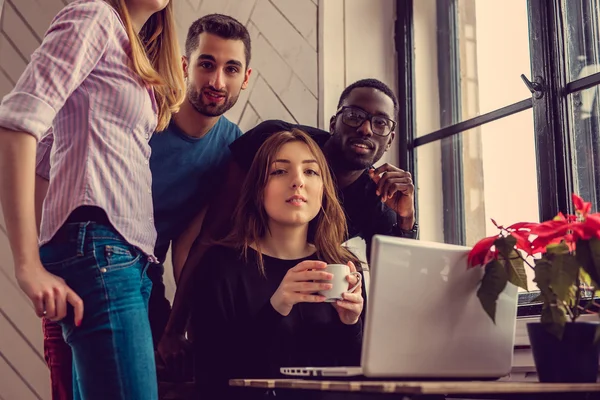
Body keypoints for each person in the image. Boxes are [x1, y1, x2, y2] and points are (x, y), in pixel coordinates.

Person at [33, 13, 253, 399]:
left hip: (146, 277)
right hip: (84, 258)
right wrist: (39, 264)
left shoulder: (231, 150)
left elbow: (192, 243)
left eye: (230, 69)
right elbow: (42, 161)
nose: (217, 81)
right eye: (206, 64)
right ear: (185, 67)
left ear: (245, 78)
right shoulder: (143, 110)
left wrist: (179, 329)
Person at [0, 0, 184, 398]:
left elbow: (46, 159)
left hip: (125, 261)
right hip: (103, 251)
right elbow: (18, 122)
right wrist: (30, 264)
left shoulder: (125, 45)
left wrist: (57, 249)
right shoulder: (93, 16)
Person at [159, 78, 418, 359]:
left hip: (309, 313)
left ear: (390, 139)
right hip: (242, 281)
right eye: (355, 116)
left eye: (380, 123)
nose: (366, 128)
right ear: (334, 122)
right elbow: (211, 235)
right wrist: (174, 330)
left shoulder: (376, 200)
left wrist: (406, 219)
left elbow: (397, 286)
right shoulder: (275, 142)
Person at [189, 129, 365, 398]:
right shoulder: (220, 266)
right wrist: (277, 305)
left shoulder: (344, 266)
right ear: (259, 189)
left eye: (311, 172)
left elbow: (359, 378)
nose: (298, 181)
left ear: (324, 189)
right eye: (280, 171)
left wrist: (352, 323)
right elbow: (212, 379)